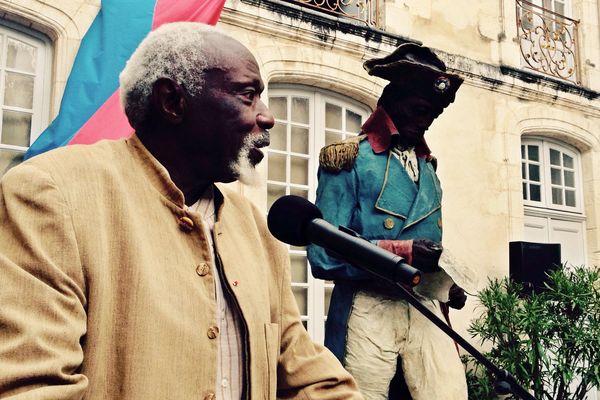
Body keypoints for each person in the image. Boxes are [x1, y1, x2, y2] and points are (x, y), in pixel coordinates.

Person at [0, 22, 363, 400]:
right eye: (247, 95)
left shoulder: (254, 226)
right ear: (173, 101)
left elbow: (307, 375)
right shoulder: (52, 192)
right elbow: (33, 387)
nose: (268, 117)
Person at [307, 43, 471, 400]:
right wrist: (402, 253)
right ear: (391, 102)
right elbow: (322, 255)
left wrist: (444, 287)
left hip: (424, 312)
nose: (423, 122)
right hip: (368, 308)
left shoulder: (429, 171)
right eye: (417, 110)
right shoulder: (348, 160)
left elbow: (425, 252)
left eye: (431, 115)